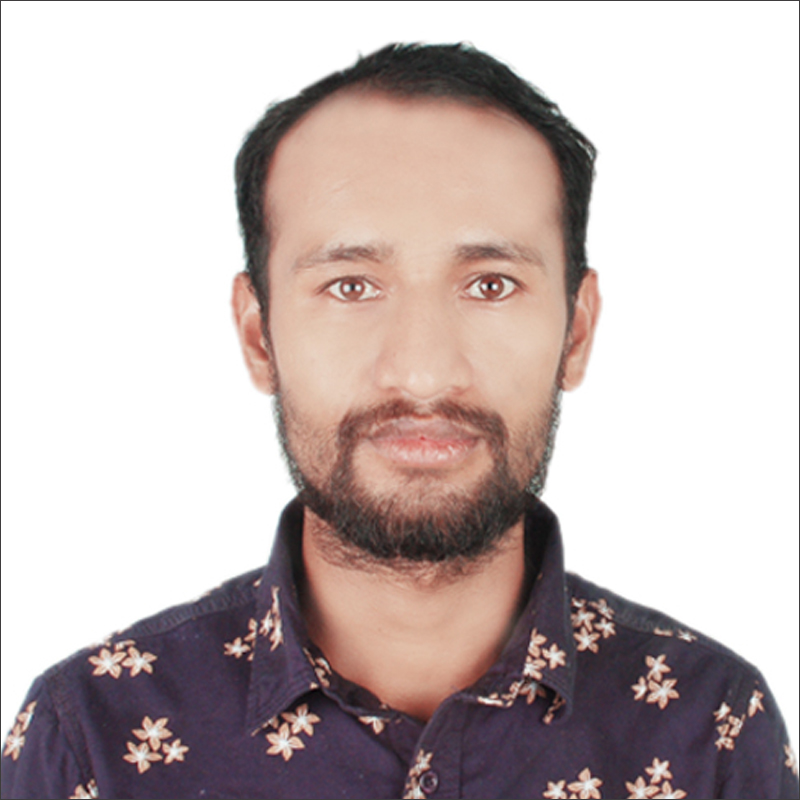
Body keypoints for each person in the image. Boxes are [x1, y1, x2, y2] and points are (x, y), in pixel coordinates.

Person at [2, 42, 797, 800]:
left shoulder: (712, 731)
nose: (421, 373)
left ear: (577, 331)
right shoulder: (91, 738)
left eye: (491, 284)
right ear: (258, 336)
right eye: (351, 286)